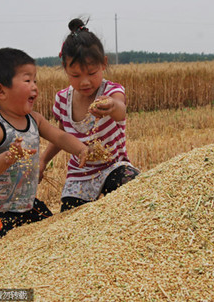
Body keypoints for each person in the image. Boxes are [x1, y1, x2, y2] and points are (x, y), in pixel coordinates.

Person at [0, 47, 90, 252]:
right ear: (1, 91)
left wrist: (80, 149)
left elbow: (59, 136)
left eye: (35, 80)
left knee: (51, 237)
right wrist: (8, 157)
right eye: (27, 81)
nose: (35, 87)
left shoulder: (34, 119)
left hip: (25, 206)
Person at [39, 18, 140, 212]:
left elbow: (121, 109)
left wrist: (111, 105)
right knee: (72, 220)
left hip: (114, 167)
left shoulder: (111, 92)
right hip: (80, 175)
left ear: (104, 64)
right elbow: (61, 136)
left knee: (133, 193)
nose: (85, 82)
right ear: (65, 69)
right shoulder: (62, 99)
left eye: (92, 73)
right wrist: (43, 161)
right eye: (75, 76)